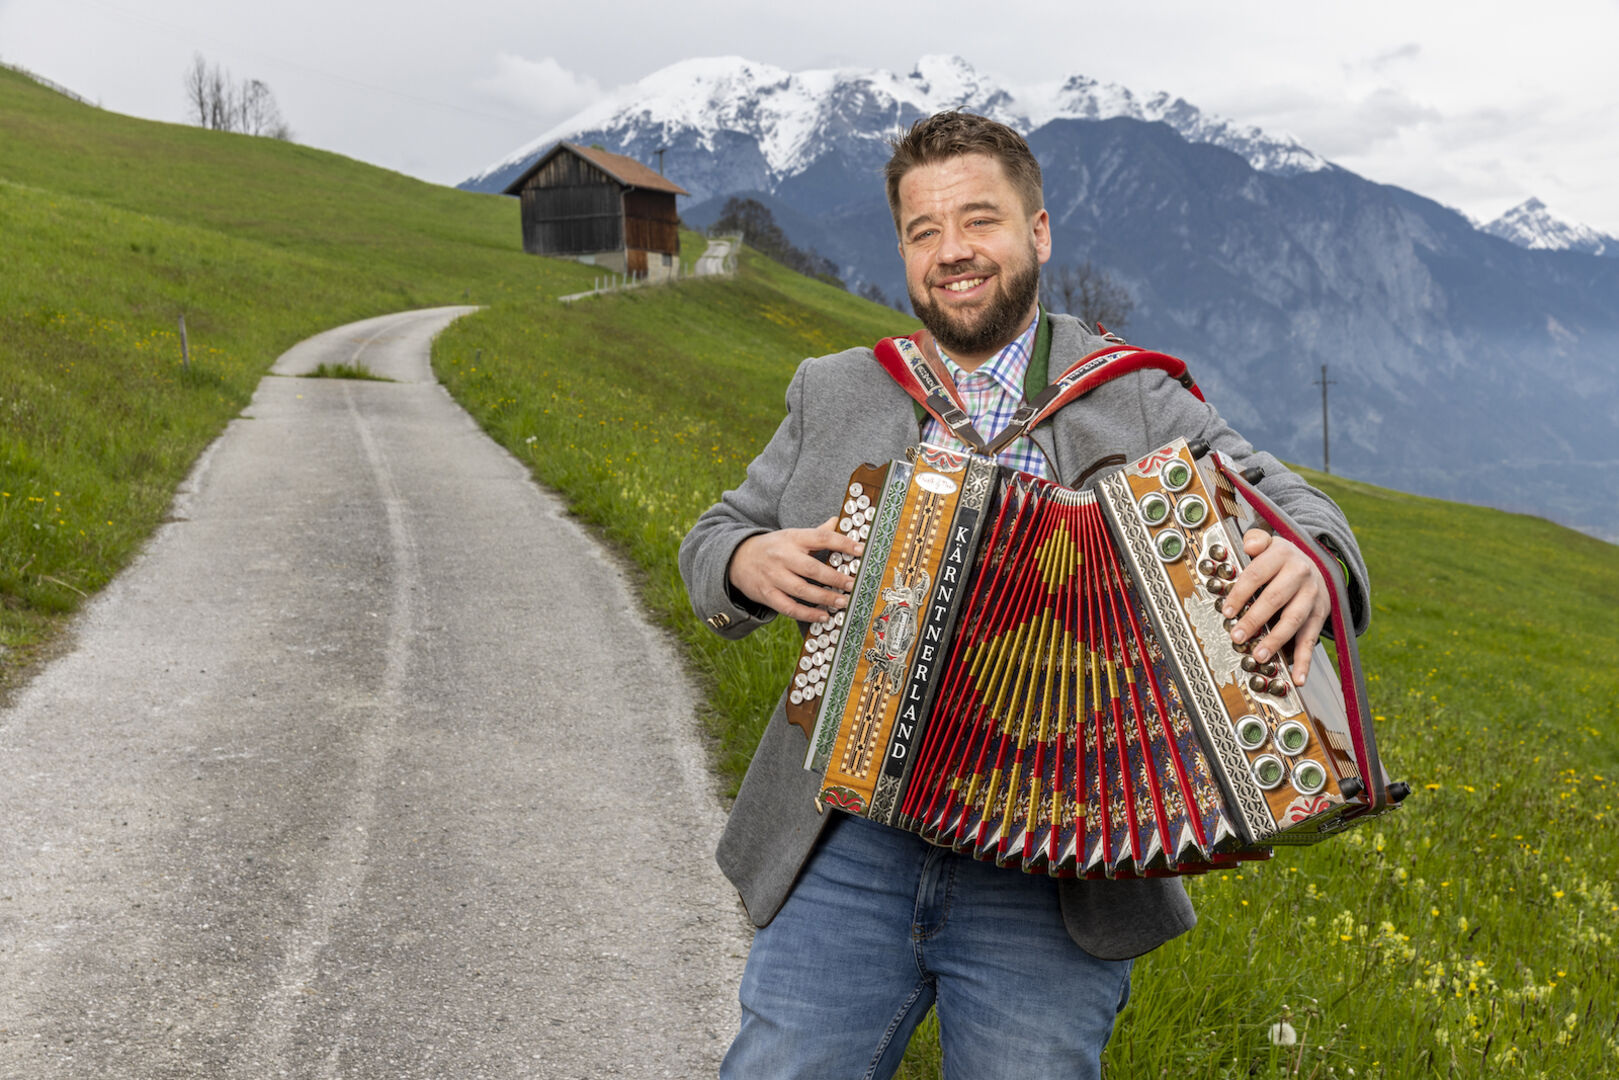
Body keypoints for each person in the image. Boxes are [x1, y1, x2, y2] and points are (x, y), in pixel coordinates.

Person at [679, 111, 1369, 1080]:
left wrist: (1311, 560)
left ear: (1036, 234)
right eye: (924, 232)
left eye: (979, 221)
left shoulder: (1134, 397)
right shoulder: (833, 389)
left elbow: (1297, 507)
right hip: (851, 836)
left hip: (1058, 868)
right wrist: (747, 564)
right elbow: (710, 540)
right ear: (903, 251)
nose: (952, 252)